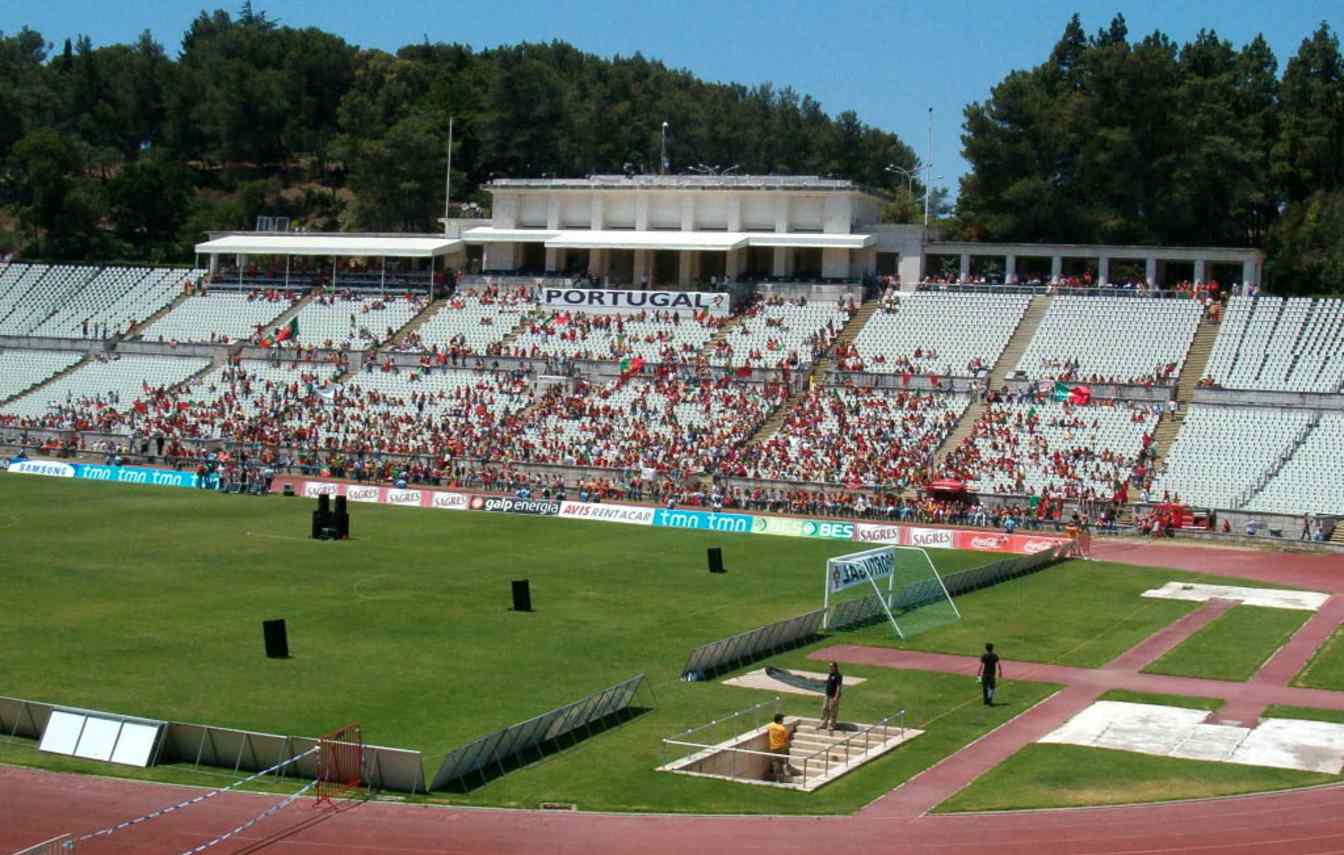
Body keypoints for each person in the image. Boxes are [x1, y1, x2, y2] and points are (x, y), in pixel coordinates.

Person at [766, 713, 796, 781]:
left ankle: (777, 778)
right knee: (784, 759)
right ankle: (785, 769)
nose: (783, 721)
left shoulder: (770, 726)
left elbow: (768, 734)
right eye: (782, 719)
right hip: (781, 747)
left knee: (776, 762)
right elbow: (786, 739)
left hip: (773, 747)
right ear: (779, 720)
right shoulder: (782, 729)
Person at [819, 661, 843, 733]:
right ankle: (824, 724)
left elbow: (839, 687)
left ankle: (832, 725)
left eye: (831, 666)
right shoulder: (830, 674)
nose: (830, 668)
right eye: (829, 666)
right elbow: (829, 683)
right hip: (827, 695)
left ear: (835, 667)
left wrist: (836, 697)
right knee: (825, 708)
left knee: (832, 710)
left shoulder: (838, 675)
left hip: (833, 696)